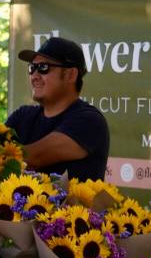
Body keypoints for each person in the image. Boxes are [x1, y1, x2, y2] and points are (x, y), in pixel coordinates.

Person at [8, 36, 109, 181]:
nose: (34, 76)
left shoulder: (90, 121)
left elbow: (34, 157)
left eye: (43, 67)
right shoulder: (22, 116)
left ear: (70, 75)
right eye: (32, 68)